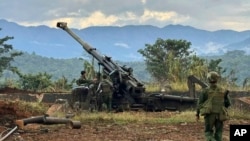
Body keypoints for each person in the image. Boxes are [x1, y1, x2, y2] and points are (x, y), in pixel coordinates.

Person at [196, 71, 231, 141]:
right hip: (220, 114)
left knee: (208, 132)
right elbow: (228, 103)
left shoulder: (205, 91)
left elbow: (199, 104)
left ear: (208, 79)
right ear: (217, 79)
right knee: (219, 132)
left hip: (209, 114)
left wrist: (197, 114)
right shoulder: (223, 90)